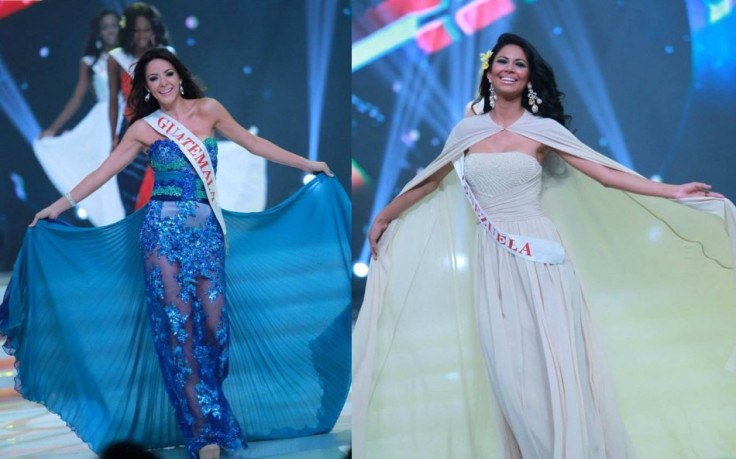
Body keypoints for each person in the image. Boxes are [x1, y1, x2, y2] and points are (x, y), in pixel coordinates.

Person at [353, 33, 736, 458]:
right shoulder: (466, 131)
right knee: (509, 375)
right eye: (502, 61)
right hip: (493, 263)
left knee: (552, 366)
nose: (509, 69)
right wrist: (384, 214)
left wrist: (674, 192)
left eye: (519, 64)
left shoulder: (544, 130)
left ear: (529, 77)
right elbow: (428, 182)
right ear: (489, 71)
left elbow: (606, 174)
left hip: (542, 260)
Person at [13, 48, 348, 459]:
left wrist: (309, 162)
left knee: (214, 331)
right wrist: (58, 205)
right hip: (161, 238)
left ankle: (210, 415)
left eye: (168, 73)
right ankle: (202, 432)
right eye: (154, 79)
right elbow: (103, 172)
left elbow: (254, 143)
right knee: (179, 333)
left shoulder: (210, 110)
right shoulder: (143, 129)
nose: (163, 83)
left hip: (207, 236)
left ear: (180, 75)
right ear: (147, 87)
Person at [32, 9, 125, 226]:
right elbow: (77, 96)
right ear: (99, 32)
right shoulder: (91, 61)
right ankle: (115, 224)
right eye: (105, 27)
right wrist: (54, 128)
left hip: (132, 114)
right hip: (105, 120)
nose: (110, 30)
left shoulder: (131, 54)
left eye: (114, 25)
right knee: (108, 172)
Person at [108, 2, 173, 214]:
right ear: (128, 32)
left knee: (160, 193)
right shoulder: (117, 58)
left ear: (154, 30)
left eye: (146, 29)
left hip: (162, 130)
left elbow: (177, 97)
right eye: (136, 30)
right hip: (131, 130)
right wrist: (113, 139)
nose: (142, 35)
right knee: (129, 194)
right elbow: (112, 101)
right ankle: (134, 244)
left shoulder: (166, 54)